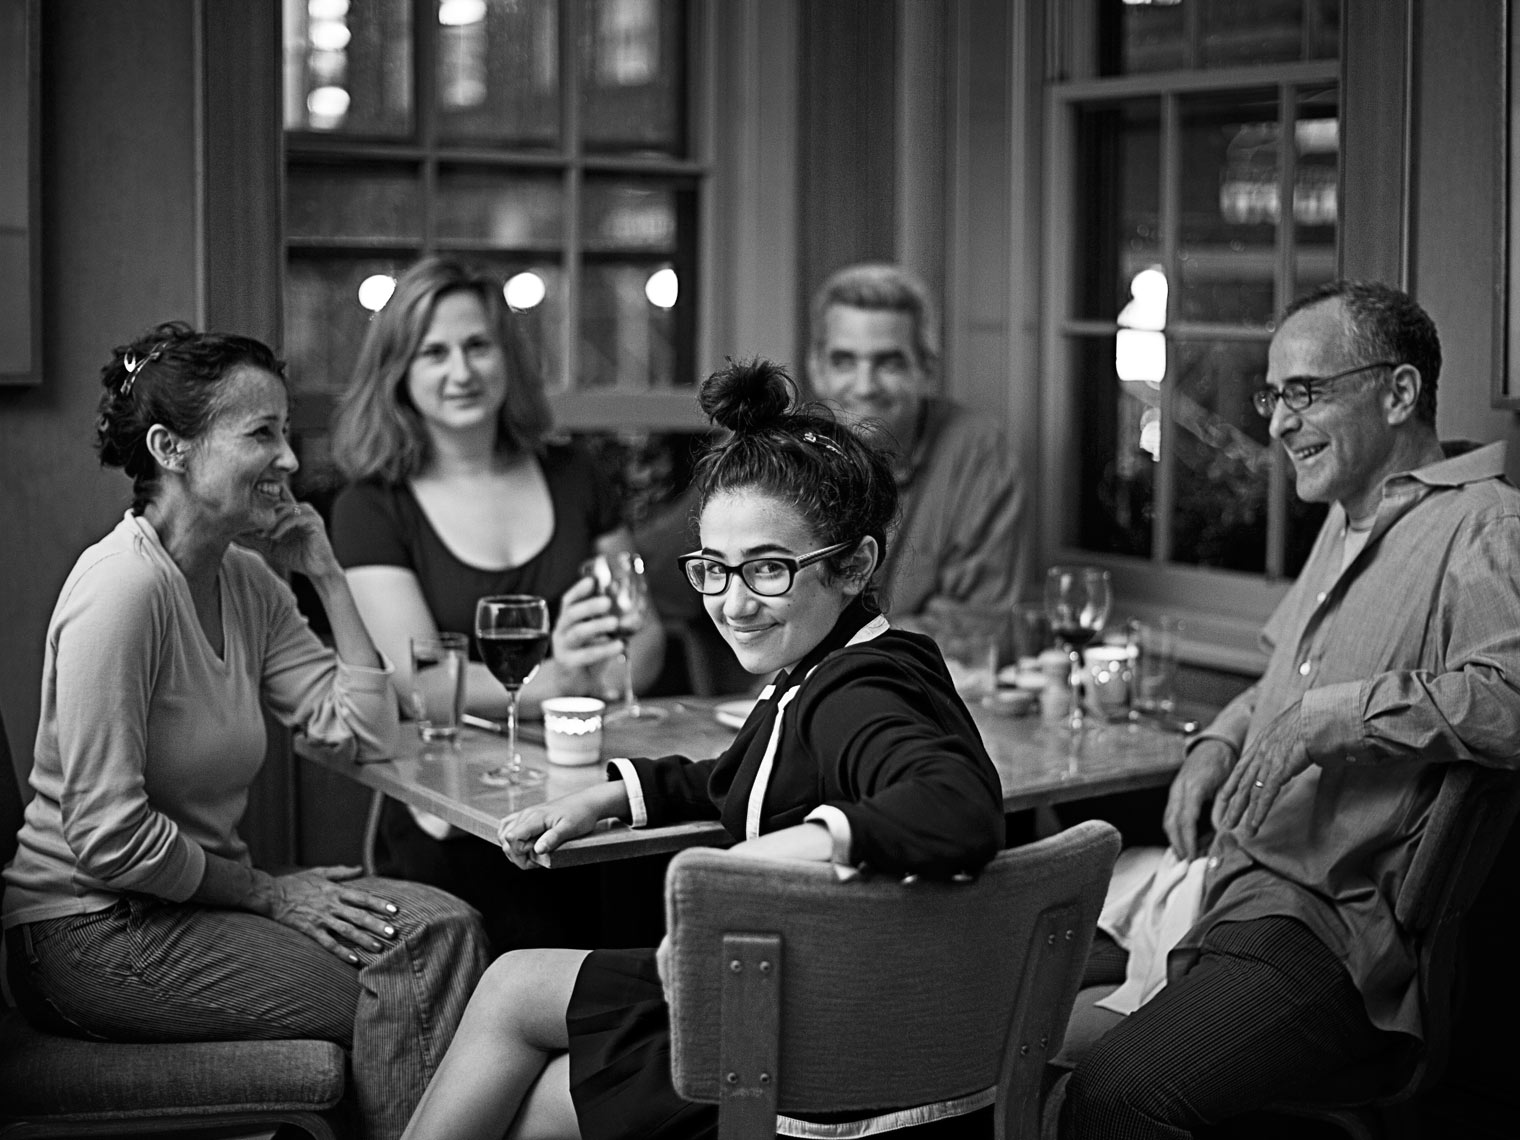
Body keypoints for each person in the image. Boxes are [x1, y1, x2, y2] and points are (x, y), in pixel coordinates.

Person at [400, 357, 1007, 1140]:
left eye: (768, 569)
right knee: (517, 998)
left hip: (823, 1068)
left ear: (856, 564)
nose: (734, 602)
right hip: (833, 1008)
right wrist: (612, 795)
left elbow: (956, 805)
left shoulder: (859, 694)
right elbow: (745, 774)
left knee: (522, 1055)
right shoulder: (840, 664)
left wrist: (756, 861)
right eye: (714, 570)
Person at [0, 322, 491, 1140]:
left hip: (188, 905)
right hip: (93, 931)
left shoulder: (247, 579)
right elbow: (107, 838)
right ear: (171, 448)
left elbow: (364, 732)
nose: (290, 459)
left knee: (445, 924)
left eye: (286, 433)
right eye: (262, 433)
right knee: (416, 976)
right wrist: (268, 893)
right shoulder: (120, 590)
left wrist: (326, 573)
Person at [1061, 280, 1520, 1138]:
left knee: (1115, 1095)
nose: (1277, 422)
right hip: (1225, 884)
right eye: (1273, 397)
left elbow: (1512, 702)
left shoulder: (1487, 525)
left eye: (1304, 392)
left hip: (1329, 928)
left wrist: (1333, 719)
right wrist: (1216, 742)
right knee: (982, 982)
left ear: (1400, 392)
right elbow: (1278, 685)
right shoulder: (1351, 517)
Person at [329, 257, 664, 952]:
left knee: (647, 945)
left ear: (507, 355)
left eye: (478, 345)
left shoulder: (575, 473)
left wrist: (609, 666)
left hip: (590, 792)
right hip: (457, 818)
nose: (462, 371)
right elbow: (420, 686)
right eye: (434, 352)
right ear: (397, 371)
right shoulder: (370, 504)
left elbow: (645, 642)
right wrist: (566, 680)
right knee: (534, 966)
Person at [806, 262, 1028, 621]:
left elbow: (975, 620)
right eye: (844, 361)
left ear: (927, 370)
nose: (864, 386)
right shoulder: (782, 456)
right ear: (816, 369)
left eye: (889, 363)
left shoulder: (976, 451)